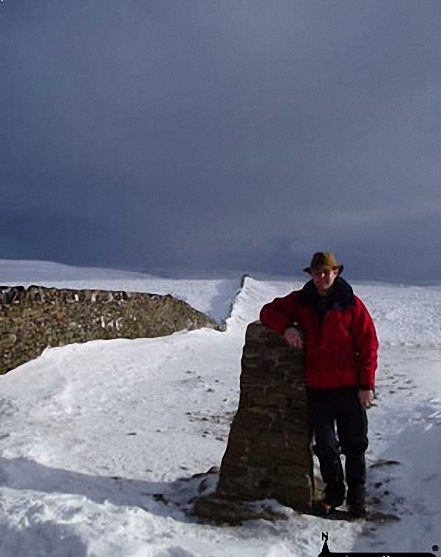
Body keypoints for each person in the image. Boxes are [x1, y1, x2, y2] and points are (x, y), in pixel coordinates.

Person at [259, 252, 378, 518]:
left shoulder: (351, 304)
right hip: (319, 387)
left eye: (327, 272)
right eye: (317, 272)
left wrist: (366, 385)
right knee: (325, 446)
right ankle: (334, 495)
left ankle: (357, 499)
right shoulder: (302, 301)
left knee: (354, 445)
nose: (322, 277)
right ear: (311, 275)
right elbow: (268, 312)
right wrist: (287, 327)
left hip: (349, 387)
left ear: (336, 273)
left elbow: (368, 344)